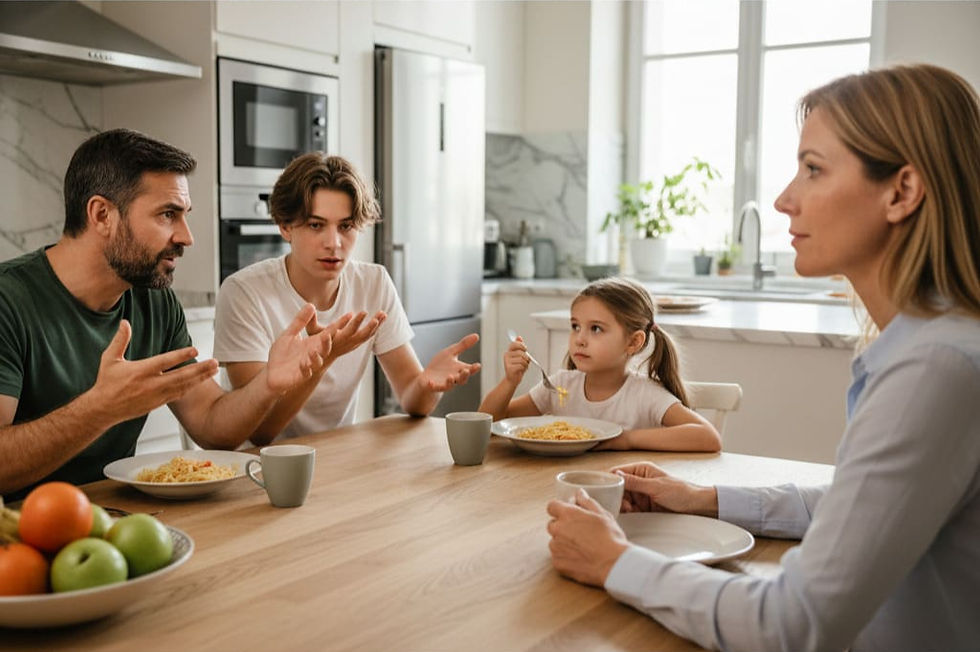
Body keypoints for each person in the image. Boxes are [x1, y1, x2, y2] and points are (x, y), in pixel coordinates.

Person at [545, 64, 980, 652]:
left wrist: (615, 562)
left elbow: (791, 623)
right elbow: (864, 507)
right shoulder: (938, 346)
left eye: (814, 169)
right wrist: (707, 499)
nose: (783, 199)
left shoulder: (936, 368)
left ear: (901, 192)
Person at [0, 129, 354, 501]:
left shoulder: (154, 302)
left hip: (116, 521)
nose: (187, 237)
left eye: (184, 215)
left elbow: (212, 425)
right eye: (168, 214)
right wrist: (99, 409)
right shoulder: (10, 301)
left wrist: (270, 383)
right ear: (102, 214)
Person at [213, 153, 481, 443]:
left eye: (346, 226)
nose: (334, 243)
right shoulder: (243, 293)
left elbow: (413, 399)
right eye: (316, 225)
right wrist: (324, 358)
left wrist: (429, 385)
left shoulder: (373, 283)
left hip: (337, 459)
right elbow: (261, 432)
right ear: (285, 226)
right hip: (258, 468)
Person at [479, 277, 721, 452]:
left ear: (634, 341)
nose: (580, 339)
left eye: (596, 329)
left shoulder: (644, 395)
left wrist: (627, 440)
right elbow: (487, 424)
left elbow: (708, 438)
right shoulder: (560, 386)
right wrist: (510, 382)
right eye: (575, 326)